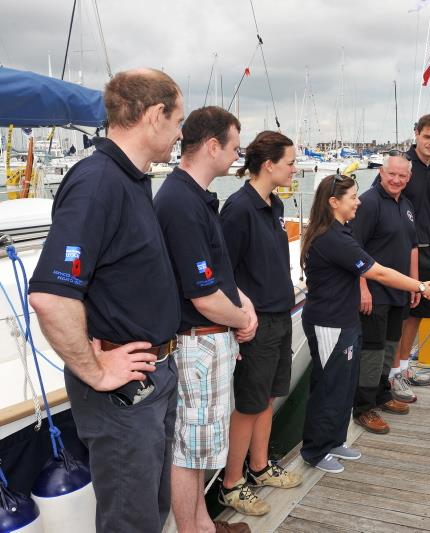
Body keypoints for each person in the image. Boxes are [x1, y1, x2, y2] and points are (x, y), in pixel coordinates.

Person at [28, 69, 184, 533]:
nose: (180, 133)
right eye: (178, 120)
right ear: (155, 116)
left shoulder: (131, 179)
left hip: (151, 376)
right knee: (130, 522)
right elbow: (50, 295)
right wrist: (96, 372)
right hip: (123, 394)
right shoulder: (98, 182)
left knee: (151, 510)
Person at [299, 174, 430, 473]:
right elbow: (378, 273)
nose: (359, 201)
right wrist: (420, 287)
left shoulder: (344, 231)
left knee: (344, 385)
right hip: (329, 324)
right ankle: (315, 450)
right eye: (352, 197)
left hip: (346, 320)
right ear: (333, 202)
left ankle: (334, 440)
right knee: (329, 386)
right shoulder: (331, 238)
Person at [154, 106, 255, 533]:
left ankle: (203, 525)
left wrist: (242, 303)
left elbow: (216, 275)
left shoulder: (193, 198)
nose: (236, 156)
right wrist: (241, 319)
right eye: (233, 147)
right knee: (187, 453)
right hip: (198, 341)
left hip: (209, 339)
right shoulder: (180, 201)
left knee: (197, 451)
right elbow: (203, 295)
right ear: (212, 146)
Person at [218, 131, 304, 516]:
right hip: (256, 323)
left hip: (280, 315)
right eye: (290, 162)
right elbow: (223, 272)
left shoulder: (273, 205)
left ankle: (259, 466)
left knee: (268, 397)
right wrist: (242, 312)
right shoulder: (238, 209)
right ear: (269, 164)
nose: (294, 168)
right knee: (249, 404)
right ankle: (231, 484)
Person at [349, 153, 419, 435]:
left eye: (402, 176)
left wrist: (414, 283)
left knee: (390, 346)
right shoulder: (368, 203)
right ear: (381, 173)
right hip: (374, 293)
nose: (397, 180)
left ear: (408, 178)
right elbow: (353, 249)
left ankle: (380, 394)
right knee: (372, 352)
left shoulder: (407, 204)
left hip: (398, 292)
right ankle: (363, 408)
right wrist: (362, 287)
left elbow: (412, 245)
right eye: (392, 174)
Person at [388, 114, 430, 400]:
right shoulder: (403, 166)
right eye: (427, 137)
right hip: (400, 250)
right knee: (399, 313)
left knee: (419, 313)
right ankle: (391, 374)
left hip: (426, 247)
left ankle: (404, 366)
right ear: (416, 134)